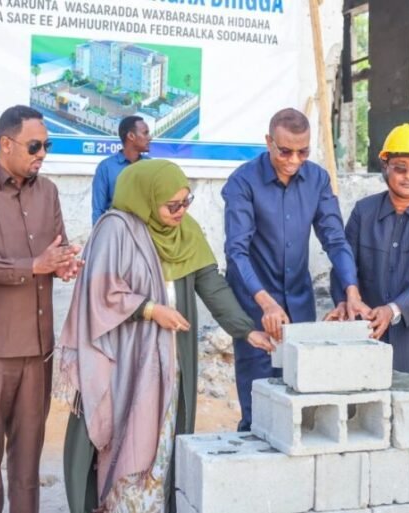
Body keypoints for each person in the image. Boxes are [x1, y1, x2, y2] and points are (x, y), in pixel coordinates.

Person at [60, 159, 272, 513]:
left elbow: (211, 285)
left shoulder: (185, 231)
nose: (180, 211)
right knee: (126, 437)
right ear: (146, 196)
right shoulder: (116, 228)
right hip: (125, 361)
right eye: (172, 205)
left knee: (162, 438)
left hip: (171, 361)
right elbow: (100, 289)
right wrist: (149, 309)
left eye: (186, 202)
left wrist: (246, 329)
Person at [0, 105, 83, 513]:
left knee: (28, 456)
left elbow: (54, 250)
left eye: (48, 145)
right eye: (35, 145)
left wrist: (64, 265)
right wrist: (33, 266)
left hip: (36, 348)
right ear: (6, 144)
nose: (43, 153)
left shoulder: (49, 192)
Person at [222, 107, 370, 431]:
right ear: (268, 142)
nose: (293, 160)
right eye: (285, 151)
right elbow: (236, 252)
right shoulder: (242, 182)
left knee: (300, 409)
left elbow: (335, 239)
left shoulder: (317, 179)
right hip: (255, 310)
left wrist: (352, 292)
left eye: (302, 152)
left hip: (300, 308)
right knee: (258, 409)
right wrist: (266, 302)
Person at [328, 123, 409, 386]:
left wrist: (392, 309)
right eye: (400, 168)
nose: (408, 177)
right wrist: (345, 300)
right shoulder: (364, 212)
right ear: (385, 166)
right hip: (367, 341)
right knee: (366, 423)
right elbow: (343, 266)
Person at [91, 115, 152, 224]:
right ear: (131, 136)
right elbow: (98, 210)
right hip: (117, 232)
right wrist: (99, 238)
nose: (150, 138)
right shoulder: (106, 167)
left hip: (146, 233)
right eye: (145, 133)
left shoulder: (151, 165)